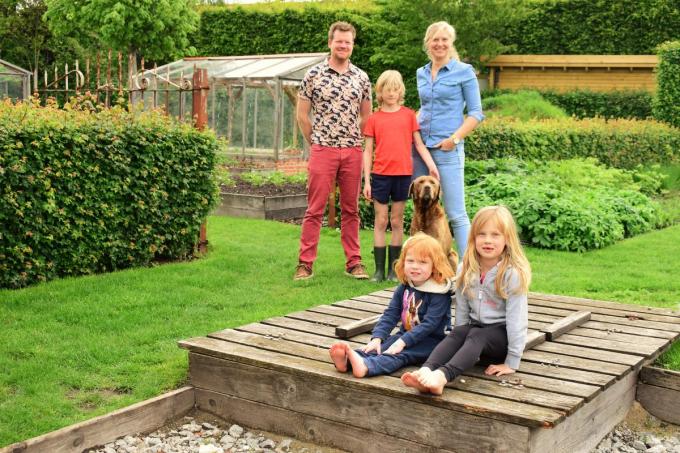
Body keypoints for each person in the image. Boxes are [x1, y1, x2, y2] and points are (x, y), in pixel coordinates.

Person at [401, 206, 531, 395]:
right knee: (459, 332)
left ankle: (442, 377)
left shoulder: (512, 273)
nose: (487, 240)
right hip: (475, 334)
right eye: (482, 234)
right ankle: (426, 370)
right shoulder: (465, 268)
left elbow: (517, 320)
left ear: (507, 239)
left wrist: (511, 361)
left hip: (500, 338)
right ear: (473, 238)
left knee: (477, 335)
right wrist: (459, 341)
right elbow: (462, 311)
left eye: (495, 235)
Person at [293, 21, 373, 281]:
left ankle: (354, 263)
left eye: (348, 42)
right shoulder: (313, 75)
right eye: (339, 41)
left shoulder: (362, 78)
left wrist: (354, 142)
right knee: (314, 209)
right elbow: (302, 115)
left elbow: (366, 118)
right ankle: (305, 264)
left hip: (352, 152)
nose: (343, 45)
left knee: (351, 210)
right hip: (322, 149)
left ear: (352, 45)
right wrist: (316, 141)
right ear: (330, 42)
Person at [329, 232, 455, 378]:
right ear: (403, 262)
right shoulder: (405, 286)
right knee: (381, 347)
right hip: (407, 334)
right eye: (410, 261)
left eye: (422, 262)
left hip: (433, 341)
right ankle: (347, 360)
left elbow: (430, 324)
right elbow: (391, 313)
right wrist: (377, 337)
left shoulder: (439, 292)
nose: (415, 266)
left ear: (435, 265)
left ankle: (366, 367)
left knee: (400, 354)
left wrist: (402, 342)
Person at [412, 21, 485, 258]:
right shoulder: (421, 73)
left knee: (456, 214)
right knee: (420, 210)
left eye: (444, 39)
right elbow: (425, 108)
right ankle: (420, 266)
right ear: (428, 43)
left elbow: (476, 113)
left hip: (447, 151)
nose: (440, 44)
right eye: (435, 39)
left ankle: (466, 271)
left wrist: (453, 140)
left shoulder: (464, 72)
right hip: (421, 150)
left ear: (451, 43)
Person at [362, 70, 439, 282]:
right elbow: (368, 151)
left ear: (400, 91)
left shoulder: (408, 116)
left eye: (396, 89)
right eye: (388, 89)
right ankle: (378, 271)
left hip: (403, 176)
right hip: (380, 176)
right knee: (381, 220)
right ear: (380, 91)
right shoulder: (374, 119)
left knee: (396, 221)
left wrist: (431, 165)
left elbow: (419, 144)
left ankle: (394, 271)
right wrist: (367, 181)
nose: (392, 93)